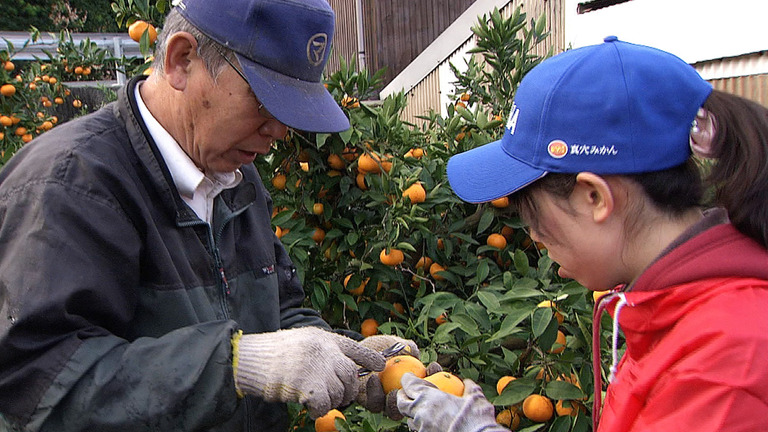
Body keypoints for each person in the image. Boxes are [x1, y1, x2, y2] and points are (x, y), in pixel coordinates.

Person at [0, 0, 418, 430]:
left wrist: (352, 360)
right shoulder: (72, 184)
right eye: (265, 98)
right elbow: (41, 386)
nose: (279, 130)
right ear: (182, 61)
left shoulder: (238, 179)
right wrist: (236, 365)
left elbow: (279, 312)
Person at [396, 36, 768, 432]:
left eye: (535, 220)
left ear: (595, 198)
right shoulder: (668, 309)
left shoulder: (726, 360)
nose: (537, 240)